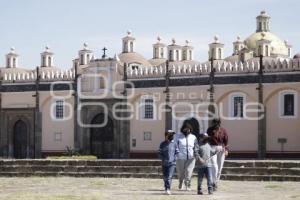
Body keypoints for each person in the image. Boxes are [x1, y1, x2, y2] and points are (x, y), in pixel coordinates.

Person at [175, 121, 199, 191]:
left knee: (189, 172)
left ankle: (188, 185)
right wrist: (176, 155)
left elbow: (196, 146)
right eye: (185, 129)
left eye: (188, 129)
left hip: (191, 158)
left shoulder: (193, 137)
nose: (187, 130)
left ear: (190, 129)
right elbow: (175, 146)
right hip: (180, 158)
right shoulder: (178, 136)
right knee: (180, 172)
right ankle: (180, 182)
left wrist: (196, 154)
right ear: (183, 129)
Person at [207, 118, 229, 191]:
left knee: (220, 167)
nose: (215, 124)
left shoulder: (223, 130)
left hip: (221, 148)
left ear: (219, 123)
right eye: (214, 122)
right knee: (214, 165)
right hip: (212, 148)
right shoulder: (209, 130)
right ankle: (213, 182)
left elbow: (226, 141)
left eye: (216, 122)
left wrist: (226, 150)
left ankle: (216, 182)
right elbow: (206, 140)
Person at [158, 130, 179, 195]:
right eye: (170, 135)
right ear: (166, 136)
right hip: (164, 163)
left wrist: (175, 159)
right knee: (165, 177)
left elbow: (177, 152)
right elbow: (159, 153)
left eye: (172, 135)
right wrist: (162, 159)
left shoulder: (174, 143)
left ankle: (168, 189)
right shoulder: (162, 144)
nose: (172, 136)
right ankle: (166, 187)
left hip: (172, 163)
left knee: (169, 176)